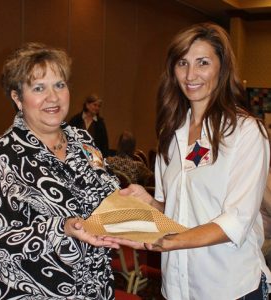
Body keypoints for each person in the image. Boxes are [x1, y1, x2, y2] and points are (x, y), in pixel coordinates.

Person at [104, 23, 271, 300]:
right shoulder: (170, 133)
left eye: (203, 62)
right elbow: (176, 212)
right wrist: (148, 202)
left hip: (229, 287)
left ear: (222, 67)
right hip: (179, 287)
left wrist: (168, 242)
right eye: (183, 63)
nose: (191, 75)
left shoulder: (245, 132)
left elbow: (237, 221)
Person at [0, 42, 120, 299]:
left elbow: (105, 191)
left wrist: (128, 198)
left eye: (59, 85)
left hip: (92, 285)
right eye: (39, 88)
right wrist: (60, 228)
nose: (53, 97)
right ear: (17, 98)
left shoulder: (82, 140)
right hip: (25, 290)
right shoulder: (1, 158)